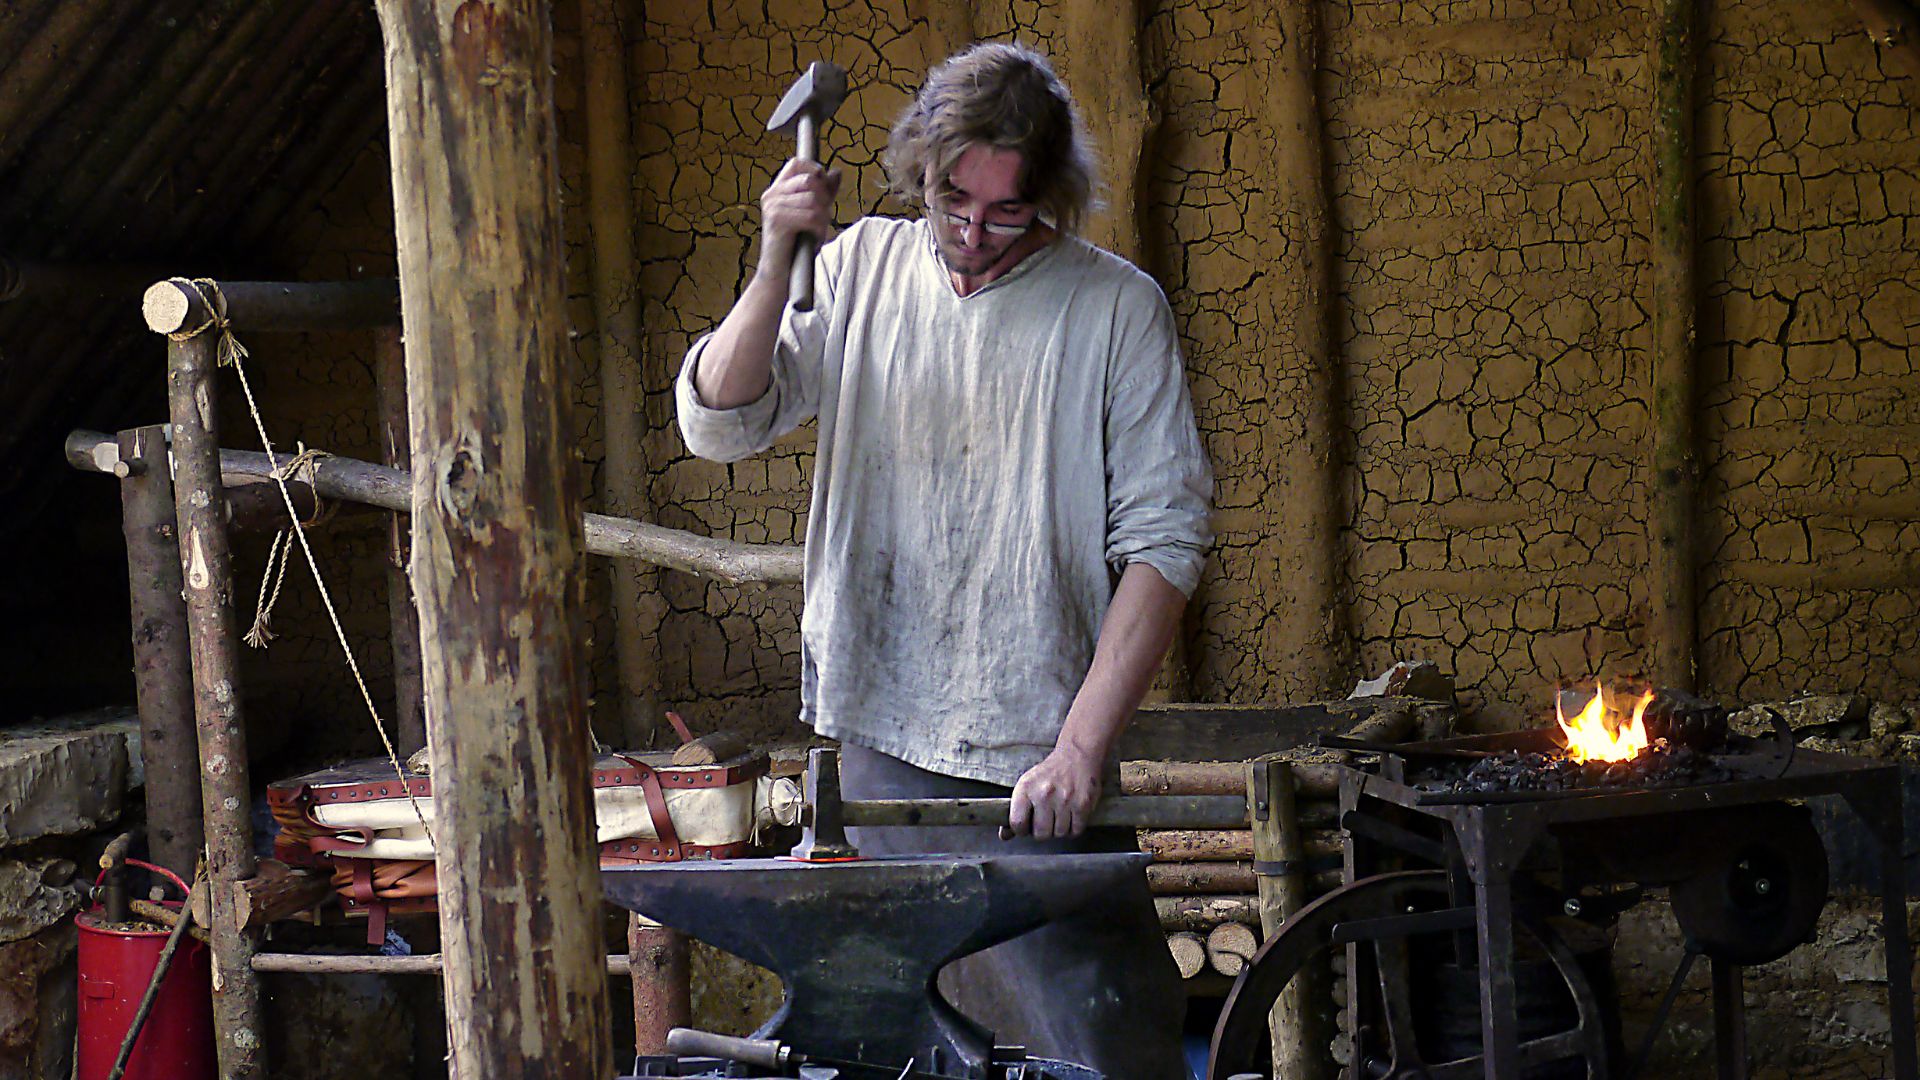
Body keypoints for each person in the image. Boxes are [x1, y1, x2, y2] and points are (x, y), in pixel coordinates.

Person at [676, 42, 1211, 1078]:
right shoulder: (860, 269)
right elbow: (723, 421)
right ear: (920, 173)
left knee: (1106, 1039)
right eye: (950, 202)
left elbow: (1162, 548)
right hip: (879, 732)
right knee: (907, 1048)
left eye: (1006, 212)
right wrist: (773, 261)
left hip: (1037, 757)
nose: (970, 235)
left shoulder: (1114, 309)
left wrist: (1078, 753)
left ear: (1049, 195)